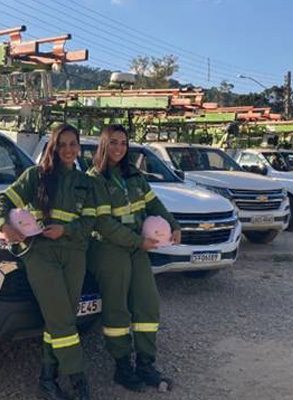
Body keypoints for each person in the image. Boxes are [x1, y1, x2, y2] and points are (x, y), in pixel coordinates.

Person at [0, 124, 96, 400]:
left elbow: (90, 222)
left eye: (73, 144)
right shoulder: (36, 176)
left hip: (74, 254)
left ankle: (47, 381)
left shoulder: (86, 182)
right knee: (63, 320)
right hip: (41, 254)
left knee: (59, 319)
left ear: (79, 147)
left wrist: (67, 230)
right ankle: (78, 381)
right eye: (62, 144)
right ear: (53, 146)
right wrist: (4, 224)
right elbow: (2, 201)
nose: (68, 150)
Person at [87, 124, 181, 393]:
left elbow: (154, 204)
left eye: (123, 143)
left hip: (136, 247)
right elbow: (104, 224)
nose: (119, 148)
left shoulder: (134, 175)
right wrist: (138, 241)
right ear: (104, 145)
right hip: (109, 248)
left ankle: (145, 364)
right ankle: (122, 367)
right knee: (117, 308)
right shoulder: (95, 179)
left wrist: (173, 224)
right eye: (113, 142)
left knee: (147, 304)